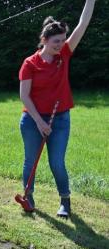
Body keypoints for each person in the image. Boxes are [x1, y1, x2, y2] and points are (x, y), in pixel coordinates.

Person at [18, 1, 96, 217]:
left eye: (63, 41)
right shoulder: (30, 63)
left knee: (57, 162)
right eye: (56, 42)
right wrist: (40, 122)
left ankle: (65, 200)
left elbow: (83, 24)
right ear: (44, 40)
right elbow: (24, 95)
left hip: (60, 119)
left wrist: (91, 1)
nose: (60, 45)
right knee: (30, 160)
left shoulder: (64, 55)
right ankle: (29, 197)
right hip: (33, 120)